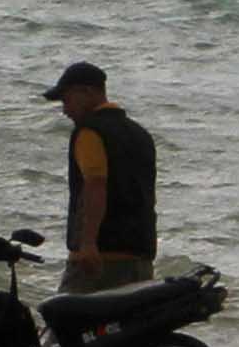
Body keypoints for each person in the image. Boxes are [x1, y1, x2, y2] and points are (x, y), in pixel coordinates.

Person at [44, 60, 158, 295]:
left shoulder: (90, 131)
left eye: (66, 99)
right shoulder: (141, 135)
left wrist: (88, 244)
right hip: (140, 259)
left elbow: (95, 184)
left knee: (63, 327)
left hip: (100, 260)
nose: (65, 110)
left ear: (87, 92)